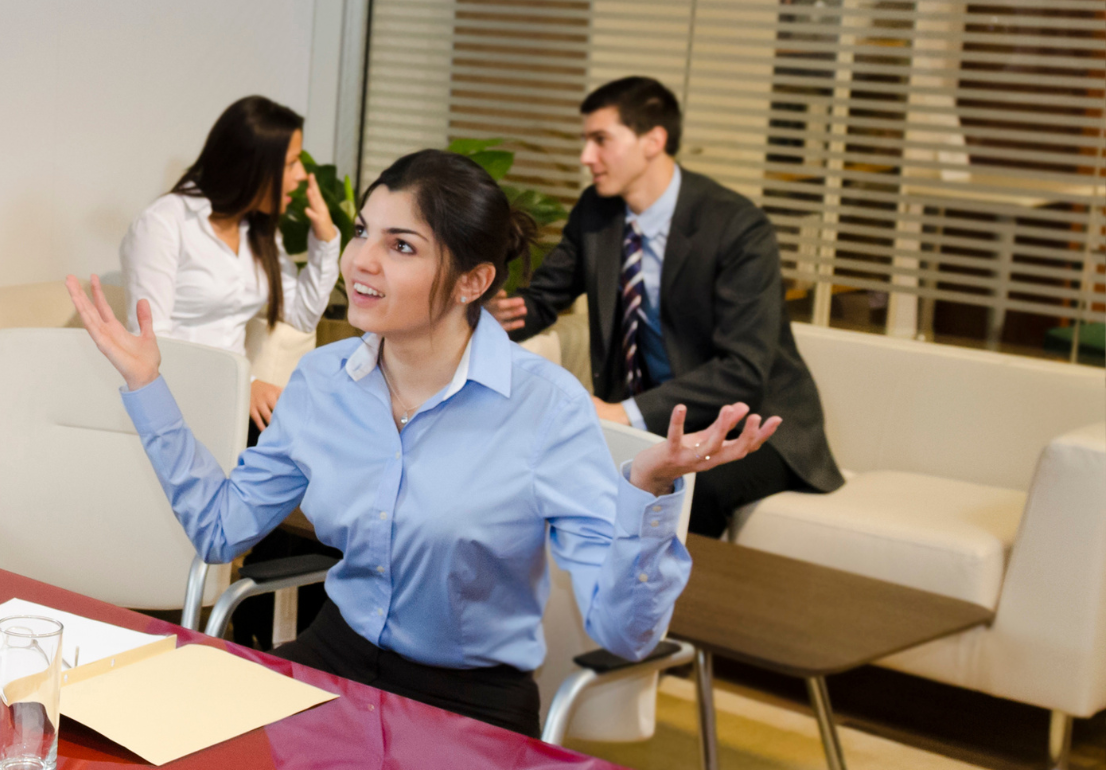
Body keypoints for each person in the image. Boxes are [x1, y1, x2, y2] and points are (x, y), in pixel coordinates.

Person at [66, 149, 782, 735]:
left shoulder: (545, 407)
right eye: (363, 233)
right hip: (331, 665)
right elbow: (222, 530)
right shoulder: (322, 382)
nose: (361, 263)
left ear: (473, 280)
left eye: (400, 245)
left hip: (468, 707)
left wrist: (646, 490)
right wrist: (147, 385)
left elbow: (625, 635)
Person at [490, 76, 842, 538]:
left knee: (692, 487)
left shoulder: (737, 226)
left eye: (600, 140)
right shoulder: (598, 213)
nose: (585, 157)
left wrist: (622, 414)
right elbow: (540, 300)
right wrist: (492, 319)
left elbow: (742, 370)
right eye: (585, 141)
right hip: (653, 420)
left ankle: (680, 610)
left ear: (653, 139)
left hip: (752, 424)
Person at [119, 95, 340, 434]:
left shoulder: (258, 231)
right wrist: (245, 385)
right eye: (292, 163)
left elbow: (302, 315)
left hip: (232, 402)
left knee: (322, 432)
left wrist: (326, 241)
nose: (301, 176)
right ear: (255, 165)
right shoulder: (164, 224)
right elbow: (150, 341)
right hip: (176, 400)